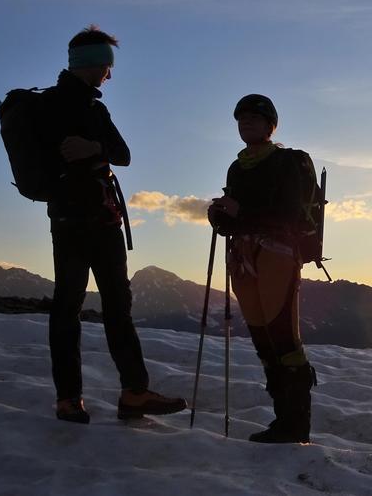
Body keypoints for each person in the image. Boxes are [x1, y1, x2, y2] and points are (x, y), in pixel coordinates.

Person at [42, 25, 186, 423]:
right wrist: (96, 149)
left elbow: (118, 153)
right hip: (96, 220)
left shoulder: (55, 105)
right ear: (94, 64)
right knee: (116, 306)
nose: (110, 74)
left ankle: (69, 399)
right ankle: (133, 393)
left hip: (67, 218)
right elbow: (122, 154)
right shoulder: (85, 108)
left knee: (68, 307)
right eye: (107, 66)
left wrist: (93, 149)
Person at [208, 94, 318, 443]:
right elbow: (237, 219)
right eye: (241, 118)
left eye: (255, 118)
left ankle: (294, 424)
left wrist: (240, 213)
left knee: (283, 338)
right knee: (264, 339)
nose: (246, 123)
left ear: (271, 125)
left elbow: (289, 215)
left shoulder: (289, 162)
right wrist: (221, 217)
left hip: (275, 256)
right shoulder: (238, 167)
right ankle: (284, 421)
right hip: (245, 257)